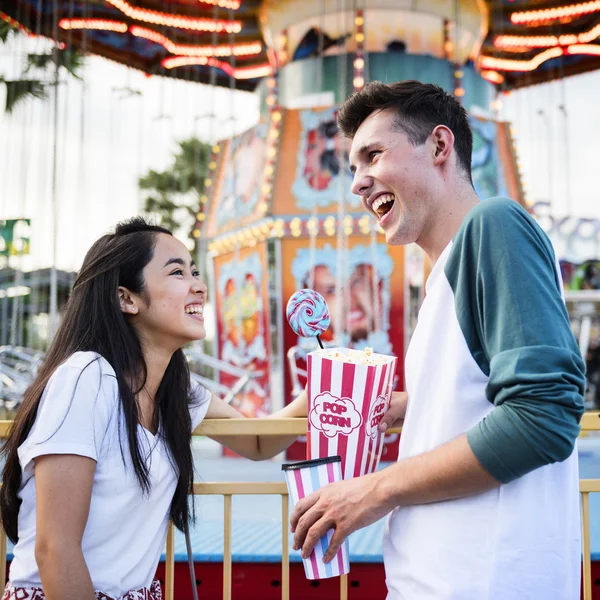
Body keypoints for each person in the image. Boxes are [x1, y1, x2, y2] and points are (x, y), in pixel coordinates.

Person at [289, 81, 586, 599]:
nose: (358, 183)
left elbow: (543, 415)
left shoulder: (494, 226)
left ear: (440, 146)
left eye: (373, 155)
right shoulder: (444, 277)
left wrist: (373, 490)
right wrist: (413, 407)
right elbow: (484, 400)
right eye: (353, 169)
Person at [0, 218, 309, 600]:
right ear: (126, 298)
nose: (199, 285)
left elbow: (260, 441)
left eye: (194, 271)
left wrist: (327, 386)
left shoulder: (176, 391)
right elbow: (55, 549)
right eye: (177, 272)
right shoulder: (87, 378)